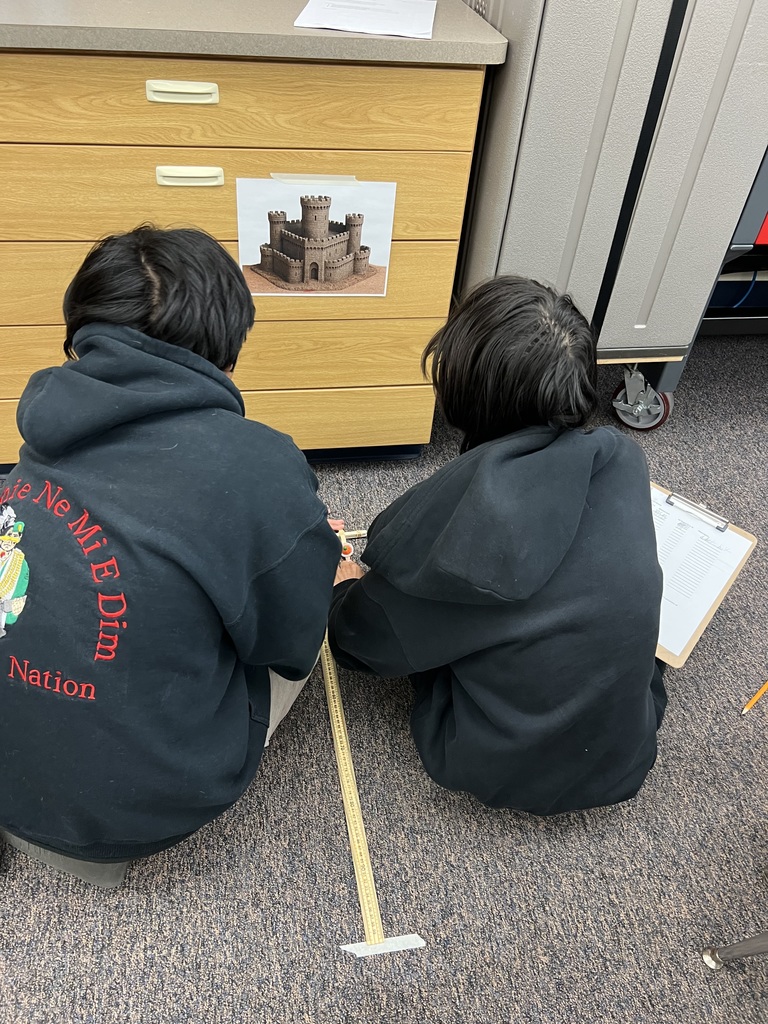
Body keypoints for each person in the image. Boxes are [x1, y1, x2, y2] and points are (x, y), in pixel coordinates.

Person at [0, 225, 340, 883]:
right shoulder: (260, 464)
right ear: (227, 348)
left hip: (14, 777)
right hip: (135, 815)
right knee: (302, 615)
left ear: (82, 332)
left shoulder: (36, 436)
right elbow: (289, 647)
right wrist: (316, 561)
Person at [328, 275, 666, 815]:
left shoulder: (465, 536)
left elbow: (357, 645)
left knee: (407, 634)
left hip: (506, 765)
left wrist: (344, 586)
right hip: (628, 747)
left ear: (462, 389)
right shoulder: (623, 458)